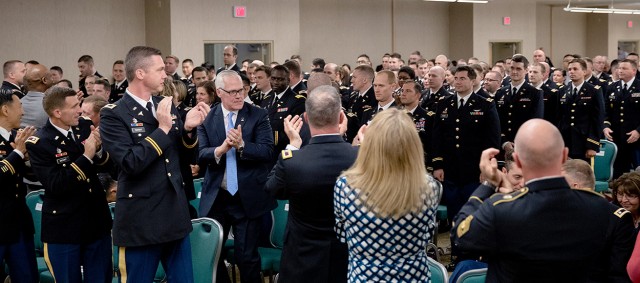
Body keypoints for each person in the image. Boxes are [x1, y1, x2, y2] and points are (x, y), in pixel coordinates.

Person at [452, 119, 634, 282]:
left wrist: (488, 184)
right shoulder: (602, 209)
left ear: (518, 161)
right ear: (564, 156)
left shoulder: (500, 209)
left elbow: (461, 237)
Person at [100, 46, 209, 282]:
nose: (165, 74)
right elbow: (130, 163)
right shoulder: (114, 114)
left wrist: (189, 130)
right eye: (160, 69)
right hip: (142, 219)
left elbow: (184, 157)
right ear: (140, 73)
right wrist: (162, 129)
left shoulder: (165, 104)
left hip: (174, 212)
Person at [334, 108, 441, 282]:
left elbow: (342, 235)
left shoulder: (346, 186)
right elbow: (427, 234)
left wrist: (363, 149)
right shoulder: (428, 187)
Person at [264, 85, 355, 282]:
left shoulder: (292, 160)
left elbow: (271, 188)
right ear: (341, 117)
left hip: (302, 259)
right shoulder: (361, 156)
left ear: (305, 118)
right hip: (347, 257)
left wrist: (292, 146)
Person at [26, 86, 113, 283]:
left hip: (96, 221)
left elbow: (109, 166)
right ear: (57, 112)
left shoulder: (84, 126)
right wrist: (86, 156)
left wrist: (98, 152)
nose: (80, 110)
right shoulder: (39, 142)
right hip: (65, 226)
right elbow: (56, 184)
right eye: (74, 106)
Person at [197, 70, 275, 283]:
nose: (239, 95)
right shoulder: (207, 117)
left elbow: (268, 151)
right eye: (232, 92)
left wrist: (242, 145)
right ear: (219, 93)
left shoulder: (258, 114)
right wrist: (220, 150)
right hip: (217, 196)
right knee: (213, 255)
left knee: (246, 256)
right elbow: (201, 153)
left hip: (247, 196)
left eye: (241, 90)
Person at [431, 65, 500, 222]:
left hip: (474, 171)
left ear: (473, 81)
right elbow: (437, 137)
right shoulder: (444, 104)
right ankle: (454, 245)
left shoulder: (485, 105)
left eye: (462, 78)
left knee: (473, 213)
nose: (458, 82)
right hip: (450, 170)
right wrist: (438, 165)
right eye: (456, 78)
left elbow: (492, 140)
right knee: (454, 213)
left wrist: (486, 168)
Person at [0, 89, 38, 283]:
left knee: (27, 277)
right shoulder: (18, 144)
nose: (23, 112)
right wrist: (17, 154)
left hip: (19, 224)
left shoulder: (17, 137)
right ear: (5, 110)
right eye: (20, 106)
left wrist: (27, 159)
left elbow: (27, 174)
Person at [558, 58, 605, 161]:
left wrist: (592, 145)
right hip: (565, 141)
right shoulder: (562, 90)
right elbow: (559, 118)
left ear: (584, 71)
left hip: (583, 143)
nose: (571, 72)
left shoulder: (593, 91)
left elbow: (597, 119)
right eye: (569, 69)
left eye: (575, 69)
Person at [604, 59, 640, 178]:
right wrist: (606, 127)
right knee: (618, 172)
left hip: (636, 139)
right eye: (619, 68)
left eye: (624, 68)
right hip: (617, 137)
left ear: (634, 71)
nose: (620, 71)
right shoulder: (612, 87)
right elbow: (606, 111)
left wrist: (638, 131)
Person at [21, 64, 54, 130]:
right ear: (44, 80)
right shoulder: (51, 106)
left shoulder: (18, 103)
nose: (53, 79)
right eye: (51, 76)